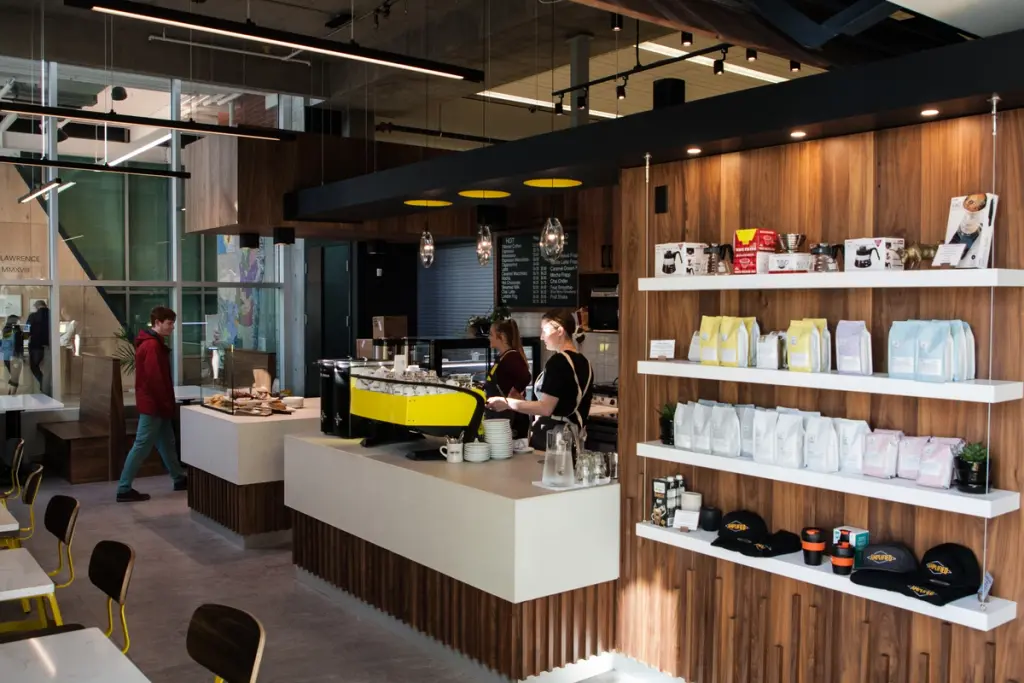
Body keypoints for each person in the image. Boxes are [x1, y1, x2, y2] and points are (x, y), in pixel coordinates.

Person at [486, 309, 593, 451]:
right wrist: (522, 402)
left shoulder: (558, 362)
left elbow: (546, 408)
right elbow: (562, 402)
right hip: (573, 438)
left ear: (560, 331)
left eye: (544, 331)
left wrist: (507, 403)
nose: (542, 337)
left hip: (552, 439)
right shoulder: (585, 363)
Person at [115, 306, 187, 503]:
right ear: (157, 323)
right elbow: (156, 380)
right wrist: (166, 405)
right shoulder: (152, 346)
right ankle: (123, 488)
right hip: (154, 405)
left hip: (156, 404)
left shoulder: (151, 343)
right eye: (169, 323)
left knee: (167, 442)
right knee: (141, 445)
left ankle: (178, 478)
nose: (172, 327)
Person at [484, 319, 532, 443]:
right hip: (500, 417)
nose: (489, 338)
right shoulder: (503, 356)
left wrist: (513, 395)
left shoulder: (511, 357)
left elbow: (526, 377)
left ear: (502, 337)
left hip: (511, 420)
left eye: (491, 334)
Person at [25, 300, 49, 392]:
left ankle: (43, 383)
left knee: (34, 366)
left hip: (36, 346)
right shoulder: (52, 315)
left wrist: (24, 346)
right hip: (50, 346)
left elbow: (26, 332)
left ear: (36, 306)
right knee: (50, 369)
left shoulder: (32, 316)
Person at [1, 315, 24, 395]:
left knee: (13, 378)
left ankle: (10, 395)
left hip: (6, 357)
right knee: (15, 380)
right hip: (14, 357)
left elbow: (3, 345)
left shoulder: (5, 330)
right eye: (18, 321)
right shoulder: (16, 331)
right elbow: (17, 345)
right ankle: (11, 397)